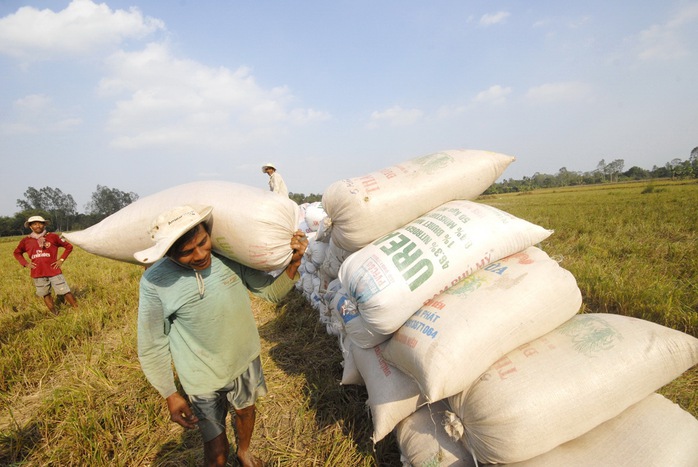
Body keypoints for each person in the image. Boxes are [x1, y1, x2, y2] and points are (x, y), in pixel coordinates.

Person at [134, 205, 307, 467]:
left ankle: (245, 452)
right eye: (187, 253)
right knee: (215, 447)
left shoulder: (227, 258)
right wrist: (170, 392)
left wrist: (294, 262)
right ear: (168, 253)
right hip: (202, 375)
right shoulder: (155, 283)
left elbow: (270, 293)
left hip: (244, 360)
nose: (201, 255)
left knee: (246, 411)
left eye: (203, 243)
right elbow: (152, 343)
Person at [13, 215, 78, 314]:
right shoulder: (26, 240)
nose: (37, 226)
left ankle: (77, 310)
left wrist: (61, 259)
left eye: (40, 223)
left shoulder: (53, 237)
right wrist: (25, 264)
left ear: (44, 225)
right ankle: (54, 314)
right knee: (45, 294)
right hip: (37, 273)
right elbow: (17, 252)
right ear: (30, 227)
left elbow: (69, 247)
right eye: (34, 224)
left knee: (64, 291)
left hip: (54, 270)